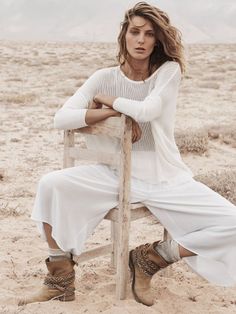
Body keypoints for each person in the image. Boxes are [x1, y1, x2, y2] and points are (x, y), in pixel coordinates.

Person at [18, 1, 236, 307]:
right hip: (115, 176)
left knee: (233, 222)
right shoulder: (102, 75)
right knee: (49, 184)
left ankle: (153, 257)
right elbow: (61, 118)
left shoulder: (167, 72)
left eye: (149, 34)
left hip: (164, 177)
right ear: (124, 35)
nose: (141, 40)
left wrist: (108, 101)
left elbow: (148, 110)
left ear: (158, 40)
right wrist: (108, 114)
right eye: (135, 32)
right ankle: (60, 278)